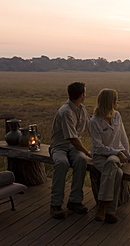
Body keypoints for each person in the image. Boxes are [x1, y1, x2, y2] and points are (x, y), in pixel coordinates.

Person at [89, 88, 130, 223]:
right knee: (117, 173)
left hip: (116, 156)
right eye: (116, 100)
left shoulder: (117, 115)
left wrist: (128, 155)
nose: (118, 102)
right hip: (100, 156)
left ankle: (102, 206)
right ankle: (109, 211)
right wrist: (117, 152)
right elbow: (98, 147)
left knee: (112, 162)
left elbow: (123, 137)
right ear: (109, 102)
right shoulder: (94, 121)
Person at [49, 82, 91, 219]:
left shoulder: (81, 108)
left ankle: (75, 201)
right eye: (84, 92)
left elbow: (90, 126)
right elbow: (72, 138)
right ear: (81, 95)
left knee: (81, 160)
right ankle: (55, 204)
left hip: (73, 148)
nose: (85, 95)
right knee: (62, 163)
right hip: (59, 146)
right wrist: (88, 152)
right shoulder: (66, 111)